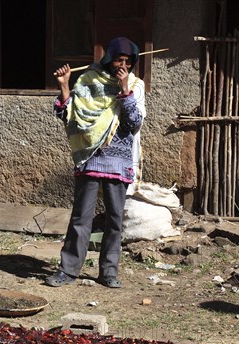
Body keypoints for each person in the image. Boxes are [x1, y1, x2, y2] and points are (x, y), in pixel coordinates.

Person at [46, 37, 146, 288]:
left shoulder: (136, 85)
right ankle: (68, 271)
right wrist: (65, 85)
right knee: (81, 217)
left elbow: (133, 123)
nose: (121, 66)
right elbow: (70, 117)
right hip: (90, 157)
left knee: (114, 219)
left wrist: (124, 89)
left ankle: (108, 272)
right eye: (117, 60)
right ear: (107, 58)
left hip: (119, 161)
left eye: (127, 61)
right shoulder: (89, 81)